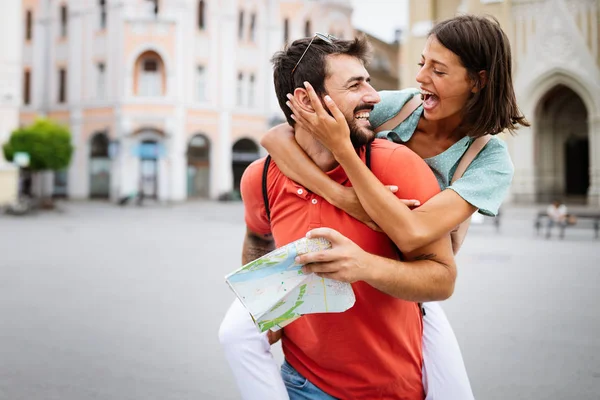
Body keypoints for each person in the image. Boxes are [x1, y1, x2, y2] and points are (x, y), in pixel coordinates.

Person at [259, 14, 530, 399]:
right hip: (349, 274)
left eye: (438, 70)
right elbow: (277, 137)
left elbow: (413, 232)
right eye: (422, 63)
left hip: (412, 286)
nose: (421, 78)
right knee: (237, 334)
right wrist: (347, 201)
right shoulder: (400, 107)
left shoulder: (488, 161)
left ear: (478, 80)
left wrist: (343, 151)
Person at [220, 34, 457, 399]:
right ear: (305, 100)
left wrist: (363, 266)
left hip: (391, 389)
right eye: (356, 85)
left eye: (369, 81)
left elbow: (442, 280)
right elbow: (256, 239)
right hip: (300, 384)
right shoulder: (261, 178)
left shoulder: (394, 164)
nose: (373, 96)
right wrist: (270, 310)